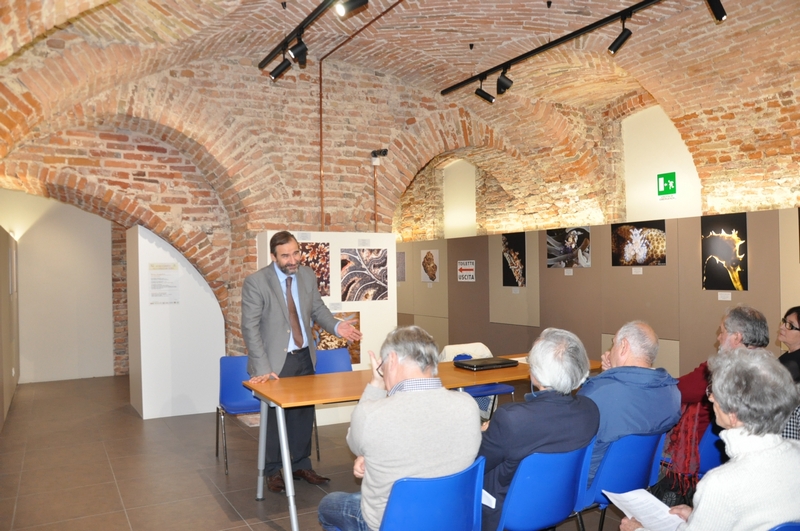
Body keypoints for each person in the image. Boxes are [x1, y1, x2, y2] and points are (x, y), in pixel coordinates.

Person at [317, 326, 481, 531]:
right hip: (451, 518)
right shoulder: (468, 406)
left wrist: (376, 383)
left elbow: (356, 444)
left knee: (329, 504)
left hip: (390, 523)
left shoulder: (372, 414)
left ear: (392, 360)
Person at [621, 347, 800, 531]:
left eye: (715, 393)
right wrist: (697, 515)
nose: (711, 398)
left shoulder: (720, 484)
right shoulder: (796, 452)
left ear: (733, 414)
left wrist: (639, 530)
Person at [241, 230, 362, 493]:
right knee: (274, 417)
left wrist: (337, 326)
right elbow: (250, 328)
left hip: (305, 356)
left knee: (303, 414)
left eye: (296, 253)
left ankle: (299, 464)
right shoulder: (256, 282)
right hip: (273, 362)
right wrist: (263, 368)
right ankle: (273, 471)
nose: (293, 259)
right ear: (274, 257)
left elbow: (318, 309)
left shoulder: (307, 275)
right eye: (286, 255)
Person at [479, 328, 599, 531]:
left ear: (536, 373)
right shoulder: (590, 409)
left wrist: (483, 434)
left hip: (504, 511)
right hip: (559, 503)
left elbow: (477, 460)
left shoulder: (512, 419)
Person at [660, 306, 768, 500]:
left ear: (737, 337)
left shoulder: (720, 369)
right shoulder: (772, 370)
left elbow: (677, 391)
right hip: (754, 465)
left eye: (722, 331)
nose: (718, 337)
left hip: (710, 456)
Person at [578, 321, 681, 481]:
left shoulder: (598, 392)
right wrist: (613, 373)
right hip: (639, 477)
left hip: (592, 480)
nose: (609, 351)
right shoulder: (672, 392)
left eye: (613, 345)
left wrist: (608, 378)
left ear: (624, 346)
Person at [778, 306, 800, 382]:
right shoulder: (786, 357)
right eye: (784, 322)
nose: (781, 327)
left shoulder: (794, 364)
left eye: (790, 325)